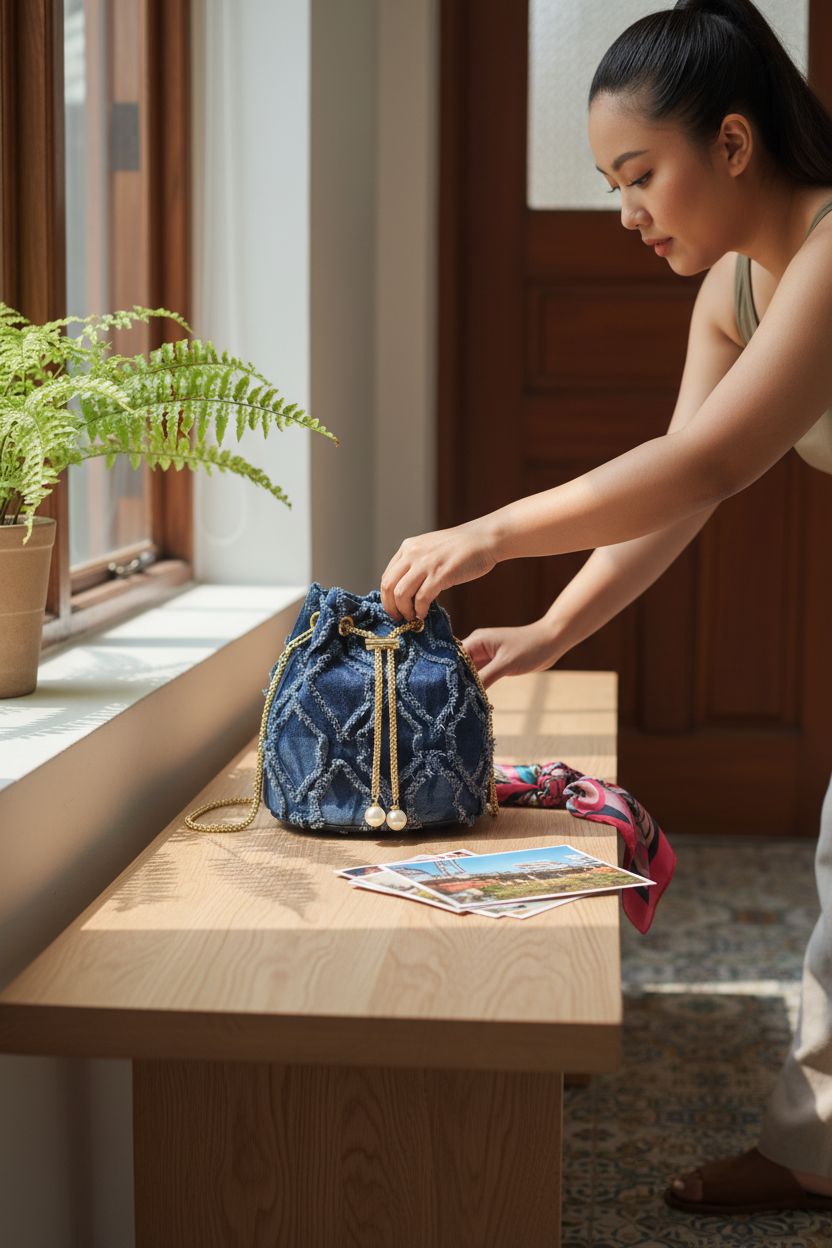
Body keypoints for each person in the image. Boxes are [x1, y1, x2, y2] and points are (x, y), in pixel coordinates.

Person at [379, 0, 832, 1218]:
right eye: (608, 181)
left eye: (641, 175)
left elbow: (705, 466)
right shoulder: (737, 286)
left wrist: (490, 532)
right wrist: (546, 632)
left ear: (731, 146)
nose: (624, 211)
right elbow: (681, 487)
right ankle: (816, 1152)